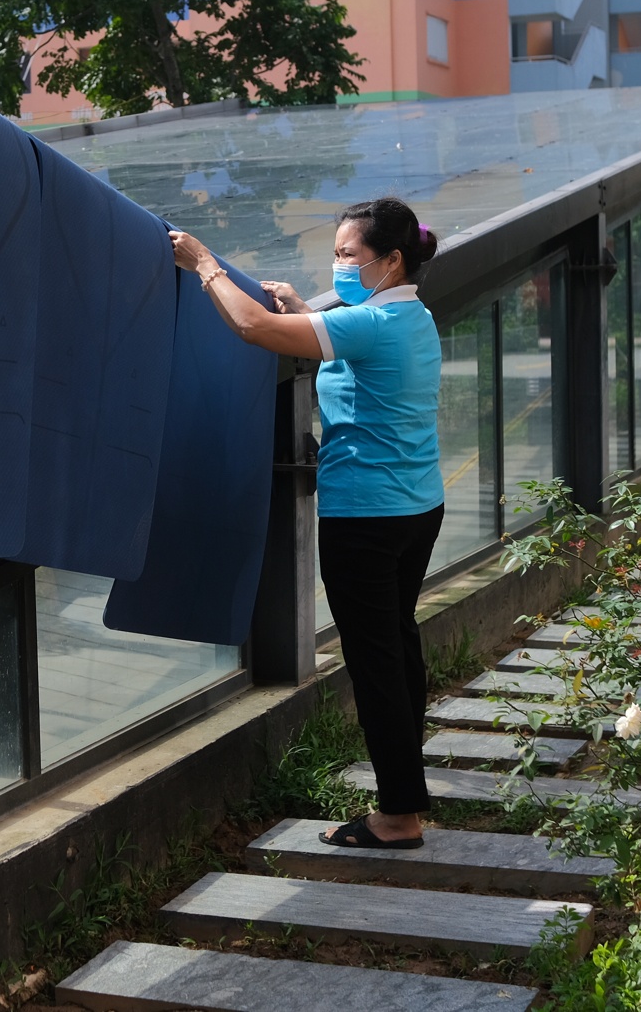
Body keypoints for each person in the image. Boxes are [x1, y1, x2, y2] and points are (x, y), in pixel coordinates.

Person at [168, 196, 443, 849]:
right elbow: (342, 341)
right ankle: (409, 788)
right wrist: (303, 308)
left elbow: (253, 329)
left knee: (375, 660)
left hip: (367, 519)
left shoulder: (368, 325)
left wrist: (202, 263)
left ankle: (399, 815)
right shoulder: (411, 316)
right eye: (336, 253)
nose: (338, 264)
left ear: (392, 259)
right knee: (396, 647)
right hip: (416, 508)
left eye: (349, 255)